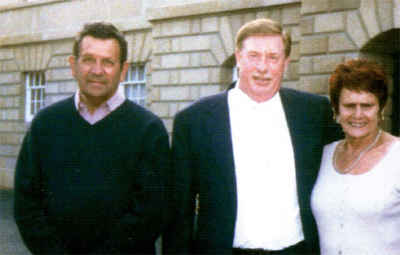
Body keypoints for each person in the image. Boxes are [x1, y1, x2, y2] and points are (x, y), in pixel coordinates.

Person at [163, 18, 342, 255]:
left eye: (273, 58)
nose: (262, 67)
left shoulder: (313, 112)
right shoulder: (195, 120)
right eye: (254, 56)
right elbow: (179, 212)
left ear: (285, 63)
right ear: (238, 57)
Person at [14, 22, 170, 254]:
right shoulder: (45, 123)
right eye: (88, 59)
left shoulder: (148, 129)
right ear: (73, 65)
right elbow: (26, 202)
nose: (97, 70)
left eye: (108, 62)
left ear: (123, 70)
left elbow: (152, 211)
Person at [311, 58, 400, 254]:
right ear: (337, 109)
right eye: (349, 105)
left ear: (381, 108)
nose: (357, 115)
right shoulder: (323, 155)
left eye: (367, 105)